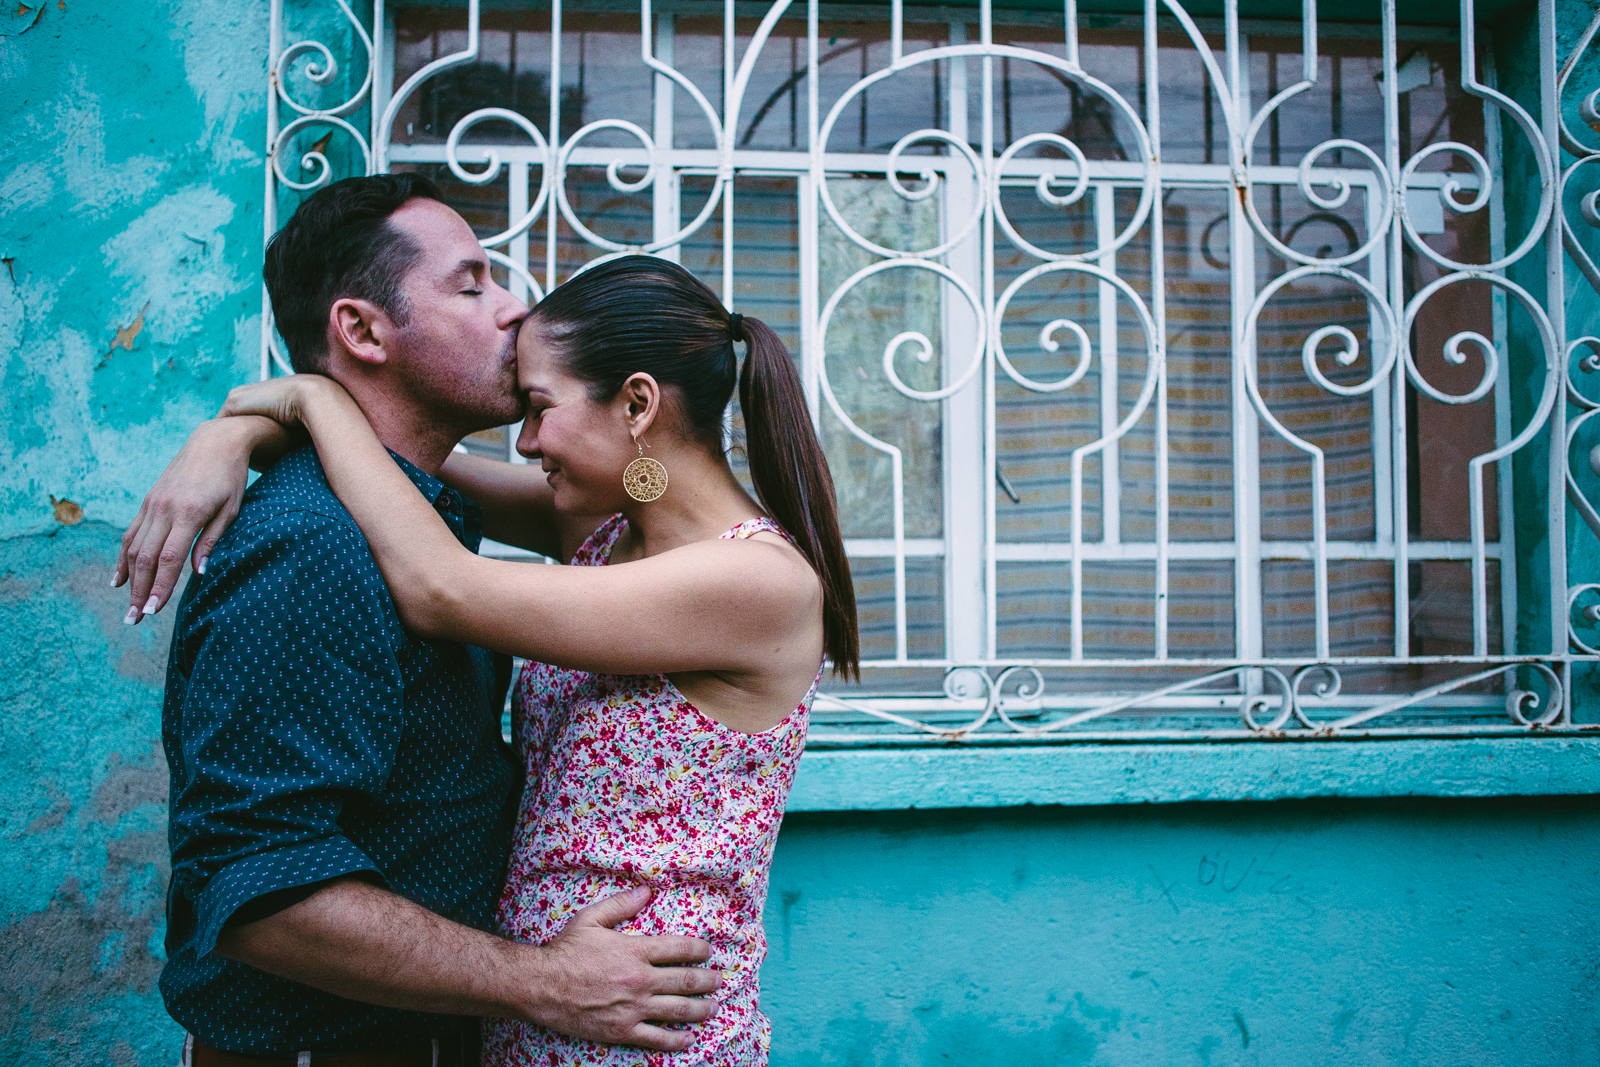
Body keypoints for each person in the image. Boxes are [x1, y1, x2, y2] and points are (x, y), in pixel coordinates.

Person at [121, 205, 859, 1061]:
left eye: (542, 409)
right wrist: (241, 428)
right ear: (361, 329)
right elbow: (406, 471)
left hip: (640, 1020)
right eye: (473, 283)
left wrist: (311, 397)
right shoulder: (612, 529)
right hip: (544, 1012)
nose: (530, 438)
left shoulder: (750, 580)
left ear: (637, 405)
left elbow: (443, 583)